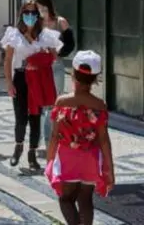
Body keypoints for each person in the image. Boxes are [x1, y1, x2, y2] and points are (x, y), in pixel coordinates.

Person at [45, 50, 114, 225]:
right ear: (95, 79)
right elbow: (104, 140)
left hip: (67, 157)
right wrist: (110, 169)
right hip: (90, 159)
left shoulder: (62, 102)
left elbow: (54, 135)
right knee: (85, 200)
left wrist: (50, 159)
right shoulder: (100, 105)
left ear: (73, 74)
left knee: (66, 199)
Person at [1, 1, 63, 170]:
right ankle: (18, 147)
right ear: (21, 15)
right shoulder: (14, 34)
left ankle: (32, 153)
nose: (29, 16)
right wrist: (9, 82)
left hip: (38, 78)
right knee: (20, 116)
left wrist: (46, 52)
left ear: (37, 16)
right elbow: (7, 61)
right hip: (21, 76)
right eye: (26, 13)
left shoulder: (45, 35)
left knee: (36, 116)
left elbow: (55, 56)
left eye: (32, 13)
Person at [35, 0, 75, 147]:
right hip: (39, 66)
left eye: (42, 7)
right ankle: (37, 138)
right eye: (38, 8)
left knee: (53, 103)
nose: (40, 11)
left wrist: (58, 52)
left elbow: (70, 44)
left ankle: (49, 140)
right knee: (40, 104)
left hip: (56, 65)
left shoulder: (60, 22)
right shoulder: (36, 24)